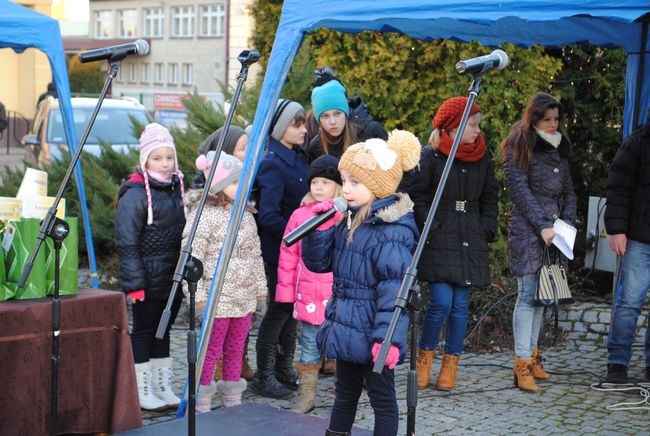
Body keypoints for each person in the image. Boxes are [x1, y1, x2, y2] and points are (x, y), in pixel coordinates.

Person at [302, 130, 421, 436]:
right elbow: (317, 263)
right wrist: (321, 229)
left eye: (356, 182)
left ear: (378, 186)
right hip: (346, 326)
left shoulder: (391, 231)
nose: (346, 189)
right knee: (344, 394)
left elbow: (394, 290)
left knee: (382, 399)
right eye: (345, 181)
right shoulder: (348, 220)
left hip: (373, 333)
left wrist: (388, 339)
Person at [407, 97, 498, 391]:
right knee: (442, 302)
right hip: (440, 234)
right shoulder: (431, 156)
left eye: (477, 125)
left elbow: (490, 196)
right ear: (454, 127)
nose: (476, 131)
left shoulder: (483, 156)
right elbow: (417, 197)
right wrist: (429, 225)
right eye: (471, 125)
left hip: (469, 234)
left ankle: (451, 363)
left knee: (460, 306)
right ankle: (425, 357)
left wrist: (486, 227)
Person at [500, 92, 577, 393]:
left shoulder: (561, 148)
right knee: (528, 293)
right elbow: (520, 192)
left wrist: (566, 222)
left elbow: (569, 190)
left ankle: (533, 358)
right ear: (534, 119)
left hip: (555, 231)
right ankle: (521, 365)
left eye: (556, 119)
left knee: (545, 296)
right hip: (527, 229)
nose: (553, 124)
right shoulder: (518, 145)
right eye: (547, 119)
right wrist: (544, 226)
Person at [184, 151, 267, 412]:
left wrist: (260, 293)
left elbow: (255, 256)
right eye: (234, 182)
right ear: (218, 185)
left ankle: (232, 402)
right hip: (216, 300)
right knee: (210, 352)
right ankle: (201, 402)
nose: (240, 187)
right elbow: (191, 259)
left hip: (242, 298)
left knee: (235, 349)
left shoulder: (245, 215)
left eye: (243, 182)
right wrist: (195, 297)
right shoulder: (204, 217)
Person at [115, 123, 188, 410]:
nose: (165, 164)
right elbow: (127, 243)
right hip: (145, 281)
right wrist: (134, 285)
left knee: (164, 331)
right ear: (145, 160)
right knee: (144, 331)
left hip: (171, 278)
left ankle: (161, 385)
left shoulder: (176, 189)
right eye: (157, 158)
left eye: (169, 157)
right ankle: (140, 388)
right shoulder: (134, 194)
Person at [252, 99, 310, 399]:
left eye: (302, 124)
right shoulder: (273, 162)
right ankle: (264, 374)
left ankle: (284, 368)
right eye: (295, 125)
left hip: (298, 250)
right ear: (279, 129)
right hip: (280, 251)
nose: (302, 130)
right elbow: (269, 215)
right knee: (278, 310)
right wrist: (300, 230)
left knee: (292, 311)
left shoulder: (298, 156)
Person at [276, 155, 342, 413]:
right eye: (314, 181)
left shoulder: (341, 216)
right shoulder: (300, 215)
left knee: (340, 347)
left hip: (336, 295)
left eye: (325, 182)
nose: (317, 187)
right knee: (308, 344)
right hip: (307, 295)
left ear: (337, 186)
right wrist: (285, 292)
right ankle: (307, 395)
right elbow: (287, 256)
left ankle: (343, 395)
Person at [604, 120, 650, 384]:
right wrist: (617, 229)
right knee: (629, 304)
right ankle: (617, 364)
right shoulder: (636, 143)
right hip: (639, 239)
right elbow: (618, 188)